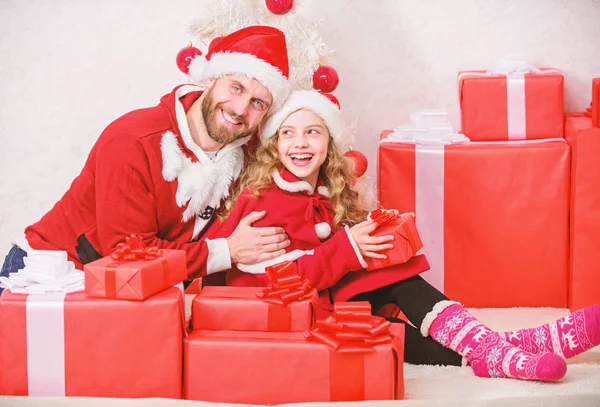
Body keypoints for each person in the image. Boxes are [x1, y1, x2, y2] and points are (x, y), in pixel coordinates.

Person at [201, 89, 600, 381]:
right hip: (279, 314)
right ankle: (500, 348)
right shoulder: (266, 199)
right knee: (386, 298)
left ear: (329, 144)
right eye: (288, 134)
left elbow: (326, 250)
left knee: (389, 284)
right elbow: (280, 284)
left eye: (313, 133)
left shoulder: (319, 191)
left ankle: (497, 348)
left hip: (316, 298)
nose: (300, 143)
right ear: (274, 145)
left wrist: (373, 232)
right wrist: (349, 247)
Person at [0, 25, 295, 288]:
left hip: (123, 287)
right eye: (236, 88)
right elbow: (128, 255)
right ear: (210, 80)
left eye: (258, 102)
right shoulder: (134, 141)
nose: (241, 109)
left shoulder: (246, 153)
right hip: (50, 274)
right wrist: (226, 251)